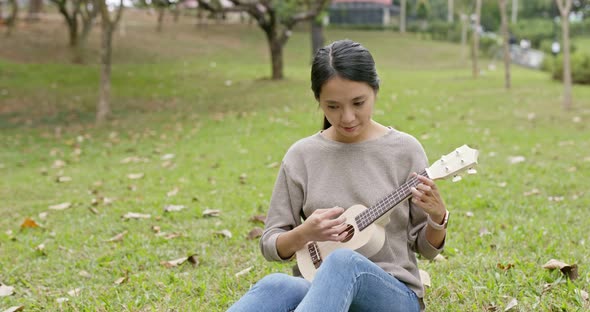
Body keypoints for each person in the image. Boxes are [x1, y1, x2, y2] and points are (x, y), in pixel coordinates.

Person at [227, 39, 449, 312]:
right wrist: (304, 233)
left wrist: (438, 219)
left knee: (344, 262)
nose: (347, 117)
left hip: (393, 295)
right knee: (277, 285)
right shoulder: (301, 156)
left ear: (375, 90)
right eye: (333, 106)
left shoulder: (405, 150)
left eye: (358, 103)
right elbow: (271, 243)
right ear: (318, 101)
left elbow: (426, 250)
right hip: (321, 292)